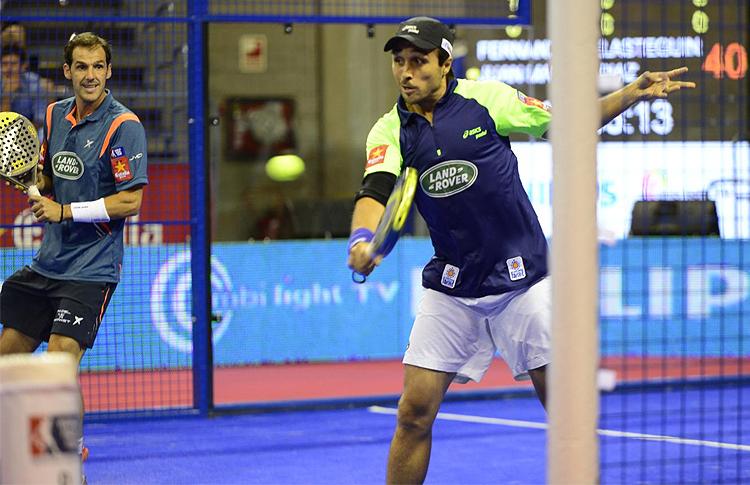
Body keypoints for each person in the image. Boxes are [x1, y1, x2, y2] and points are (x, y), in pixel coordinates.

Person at [346, 17, 695, 484]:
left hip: (523, 282)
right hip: (452, 288)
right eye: (399, 61)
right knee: (412, 413)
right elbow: (374, 192)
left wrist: (630, 94)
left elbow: (566, 126)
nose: (406, 72)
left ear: (445, 64)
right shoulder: (389, 130)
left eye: (418, 61)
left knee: (565, 412)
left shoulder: (489, 100)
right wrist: (361, 240)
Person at [0, 32, 148, 475]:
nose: (90, 75)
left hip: (92, 268)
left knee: (60, 361)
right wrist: (36, 184)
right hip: (48, 263)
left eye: (98, 66)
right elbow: (48, 175)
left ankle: (67, 455)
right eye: (81, 67)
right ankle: (13, 447)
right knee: (8, 353)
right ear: (67, 72)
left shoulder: (125, 127)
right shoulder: (53, 113)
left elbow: (130, 202)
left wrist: (63, 210)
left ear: (108, 71)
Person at [1, 43, 53, 130]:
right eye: (4, 64)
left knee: (42, 134)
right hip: (4, 130)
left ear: (23, 66)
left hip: (28, 130)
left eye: (13, 64)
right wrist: (7, 96)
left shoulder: (34, 82)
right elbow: (2, 123)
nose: (8, 68)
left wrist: (21, 134)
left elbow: (39, 119)